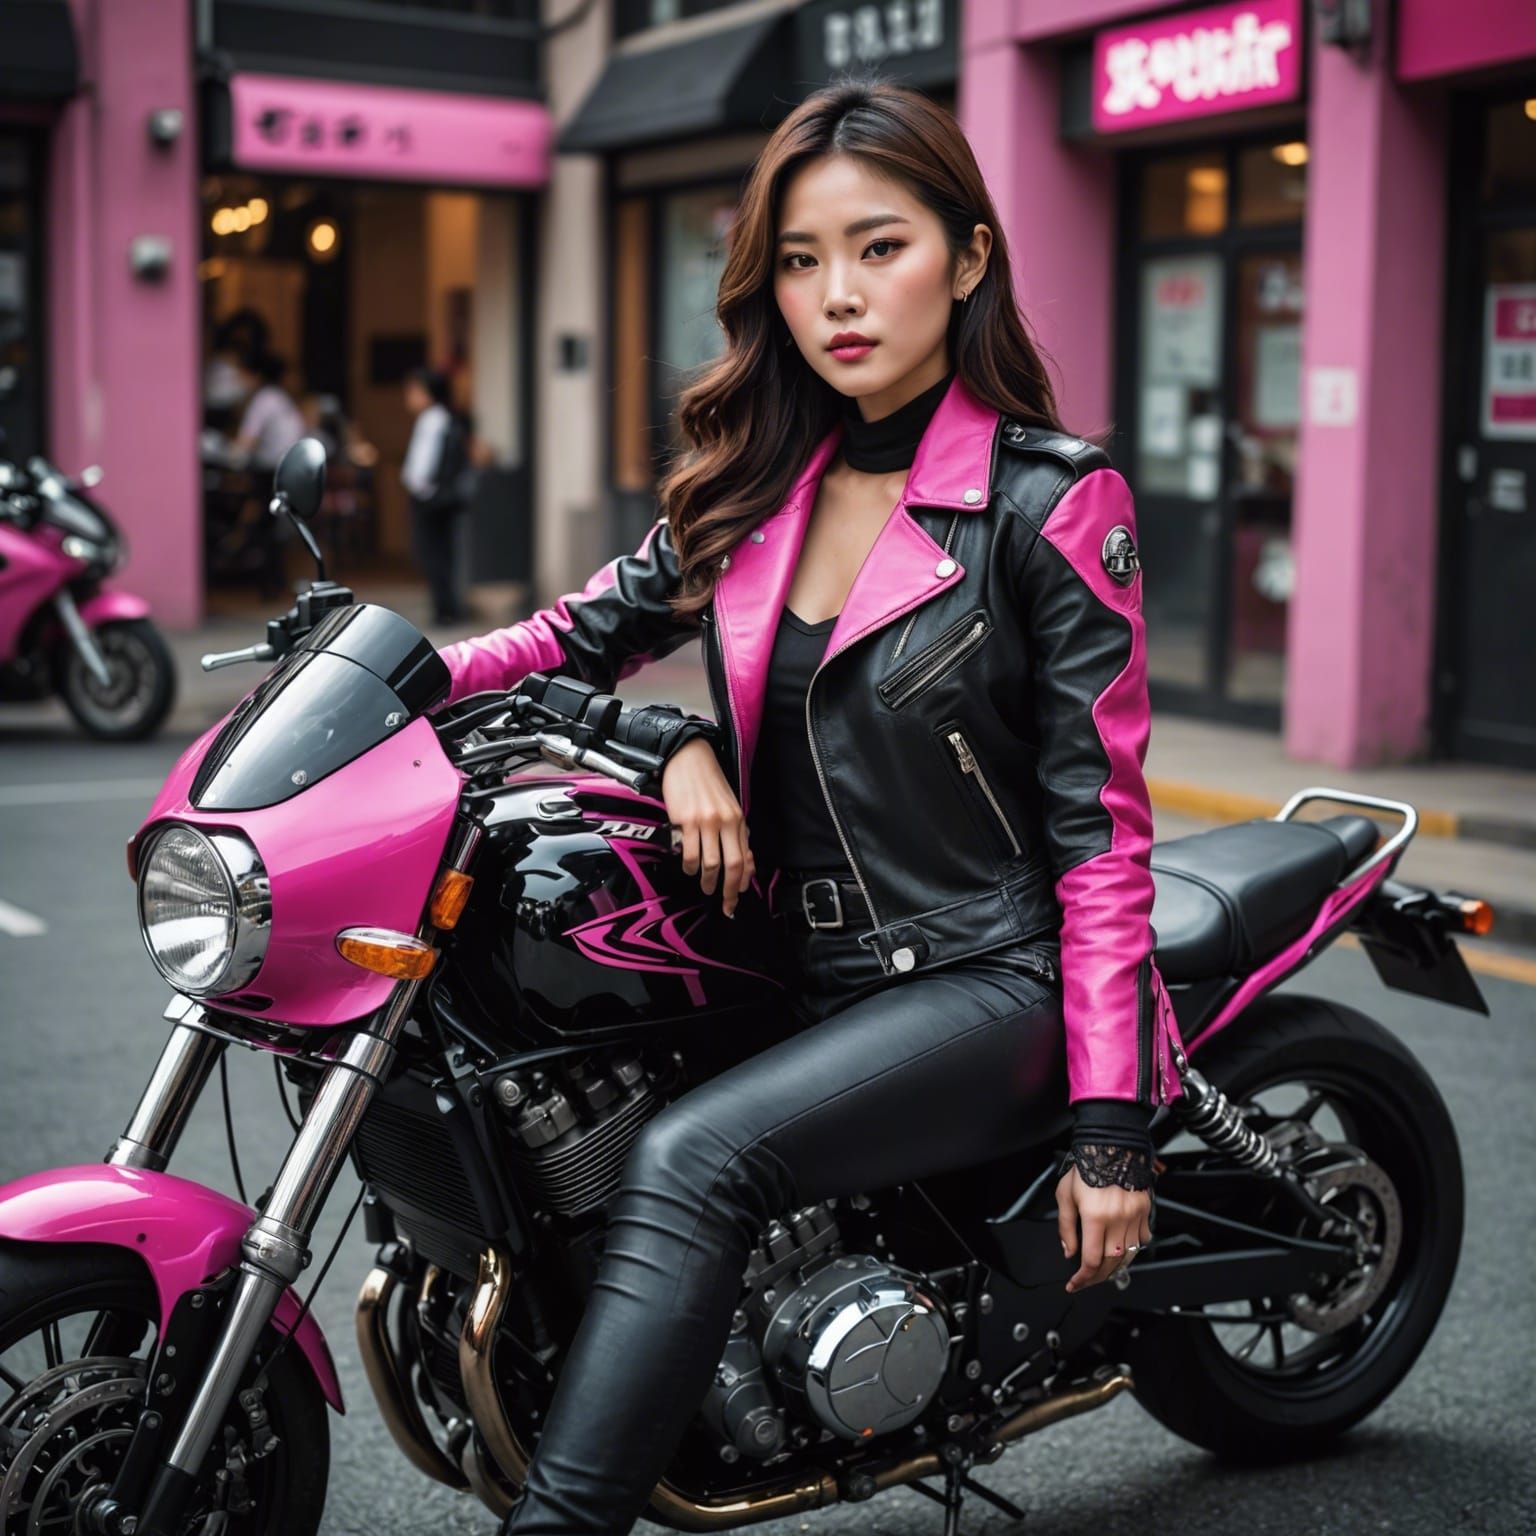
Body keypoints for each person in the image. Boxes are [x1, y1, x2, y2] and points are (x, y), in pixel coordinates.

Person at [435, 78, 1184, 1536]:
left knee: (691, 1159)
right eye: (797, 258)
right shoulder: (754, 485)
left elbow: (1102, 829)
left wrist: (1113, 1130)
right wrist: (407, 676)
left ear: (968, 259)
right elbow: (555, 644)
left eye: (879, 247)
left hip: (984, 969)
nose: (836, 294)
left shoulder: (1048, 503)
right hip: (802, 962)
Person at [402, 365, 472, 624]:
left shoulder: (432, 420)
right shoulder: (444, 417)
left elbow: (423, 464)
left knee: (434, 553)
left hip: (431, 498)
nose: (408, 397)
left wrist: (419, 488)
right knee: (442, 553)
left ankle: (445, 609)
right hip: (441, 498)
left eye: (414, 390)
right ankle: (446, 607)